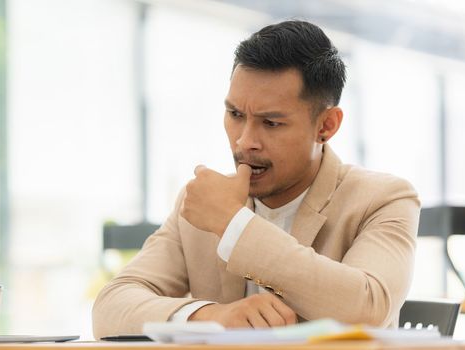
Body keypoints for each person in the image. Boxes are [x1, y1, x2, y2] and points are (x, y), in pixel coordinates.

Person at [92, 20, 420, 338]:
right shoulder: (199, 203)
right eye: (235, 115)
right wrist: (208, 315)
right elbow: (111, 307)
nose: (244, 141)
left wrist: (235, 226)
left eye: (271, 123)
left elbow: (367, 308)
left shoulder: (385, 198)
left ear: (326, 126)